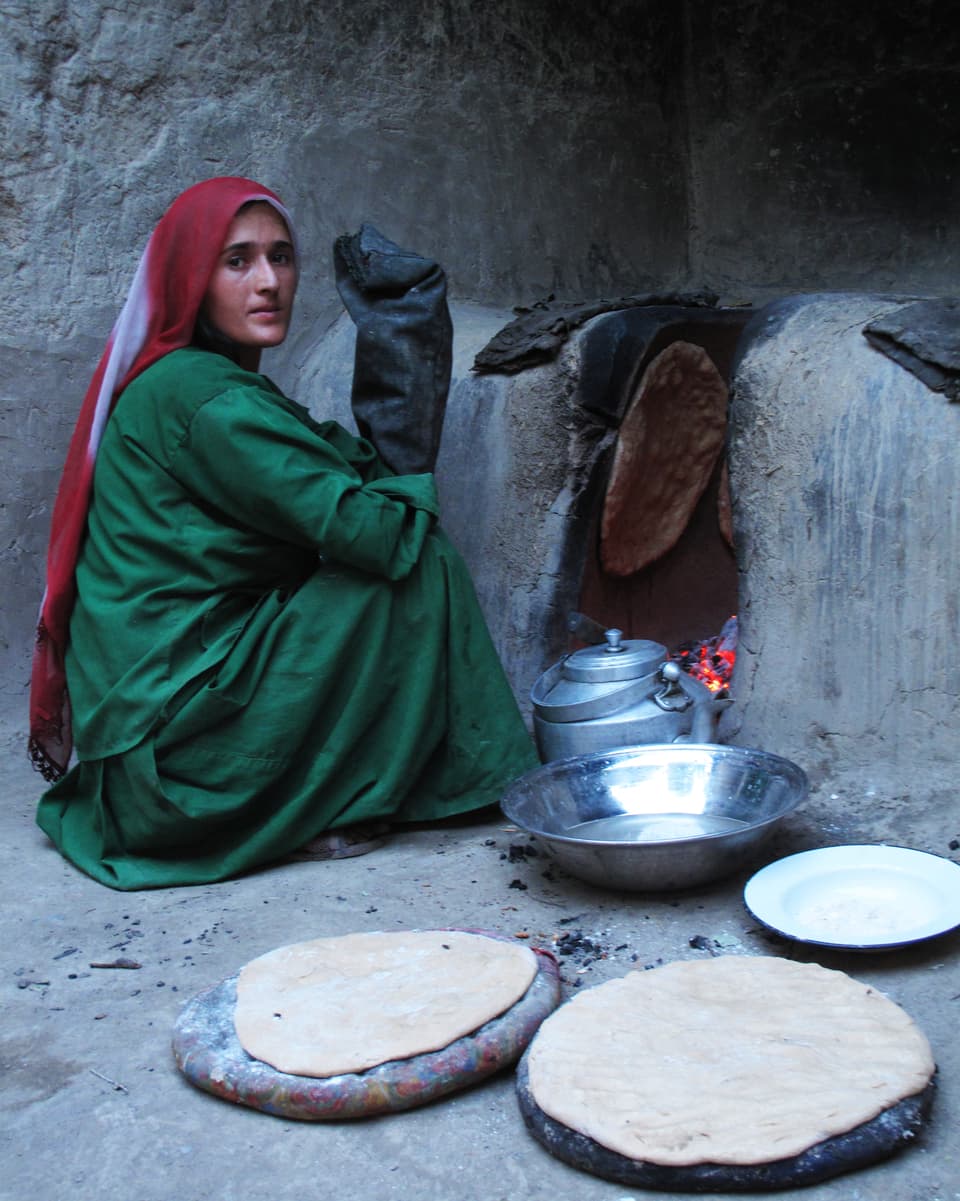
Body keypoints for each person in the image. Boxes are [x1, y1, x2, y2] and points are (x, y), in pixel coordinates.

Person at [29, 176, 537, 890]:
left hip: (146, 762)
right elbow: (378, 531)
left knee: (378, 551)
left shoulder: (198, 382)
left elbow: (337, 466)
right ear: (191, 280)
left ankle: (365, 782)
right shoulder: (205, 400)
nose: (268, 282)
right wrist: (408, 373)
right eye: (236, 261)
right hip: (176, 779)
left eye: (281, 257)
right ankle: (435, 782)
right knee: (415, 562)